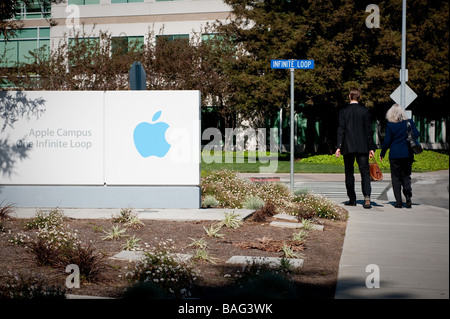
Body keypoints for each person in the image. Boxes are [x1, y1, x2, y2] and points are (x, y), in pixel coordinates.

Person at [335, 88, 375, 209]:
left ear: (349, 97)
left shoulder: (344, 111)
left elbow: (341, 130)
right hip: (362, 147)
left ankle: (352, 199)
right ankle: (367, 197)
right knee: (365, 173)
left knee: (349, 173)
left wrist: (338, 146)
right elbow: (368, 131)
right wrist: (371, 148)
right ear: (359, 97)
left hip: (348, 146)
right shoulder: (365, 111)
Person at [380, 104, 420, 208]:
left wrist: (382, 153)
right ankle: (408, 196)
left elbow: (387, 141)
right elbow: (417, 134)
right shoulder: (409, 122)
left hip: (394, 154)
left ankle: (398, 202)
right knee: (406, 176)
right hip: (407, 154)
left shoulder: (390, 125)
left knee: (396, 178)